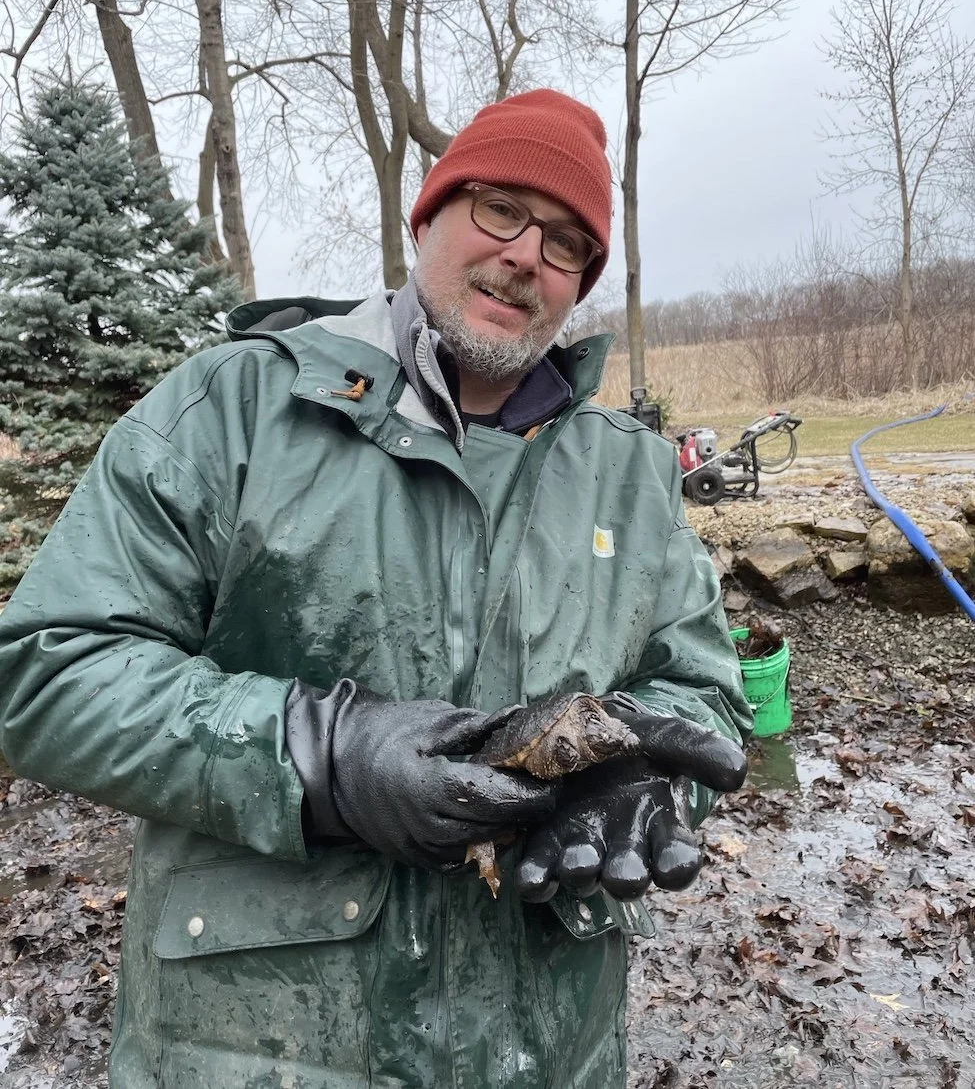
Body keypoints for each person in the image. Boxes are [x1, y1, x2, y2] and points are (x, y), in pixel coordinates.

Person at [0, 89, 751, 1089]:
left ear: (580, 283)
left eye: (568, 242)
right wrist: (320, 757)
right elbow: (51, 670)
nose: (528, 253)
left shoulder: (633, 474)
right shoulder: (231, 409)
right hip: (254, 1051)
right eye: (500, 209)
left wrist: (644, 781)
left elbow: (708, 703)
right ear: (429, 214)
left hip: (546, 1050)